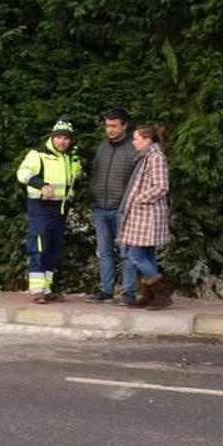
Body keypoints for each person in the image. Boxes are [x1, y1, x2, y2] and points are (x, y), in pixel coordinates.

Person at [16, 117, 82, 304]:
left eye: (66, 138)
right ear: (52, 137)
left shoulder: (72, 157)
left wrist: (73, 195)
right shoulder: (38, 154)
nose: (62, 141)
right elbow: (22, 173)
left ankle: (46, 288)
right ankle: (36, 290)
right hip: (40, 209)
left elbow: (76, 179)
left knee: (54, 248)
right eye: (59, 137)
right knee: (38, 246)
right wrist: (42, 185)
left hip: (60, 211)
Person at [85, 108, 140, 305]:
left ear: (124, 126)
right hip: (100, 207)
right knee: (104, 252)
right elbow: (95, 172)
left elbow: (138, 180)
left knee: (127, 253)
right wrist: (94, 193)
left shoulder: (133, 149)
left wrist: (129, 203)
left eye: (114, 126)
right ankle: (105, 290)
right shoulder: (102, 147)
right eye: (107, 125)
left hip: (123, 209)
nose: (110, 130)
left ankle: (128, 292)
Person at [117, 125, 172, 310]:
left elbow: (161, 186)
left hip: (147, 214)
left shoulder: (155, 157)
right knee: (147, 254)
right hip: (142, 215)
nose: (133, 142)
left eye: (136, 138)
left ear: (147, 140)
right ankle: (150, 294)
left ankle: (161, 293)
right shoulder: (145, 157)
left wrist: (139, 199)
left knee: (135, 254)